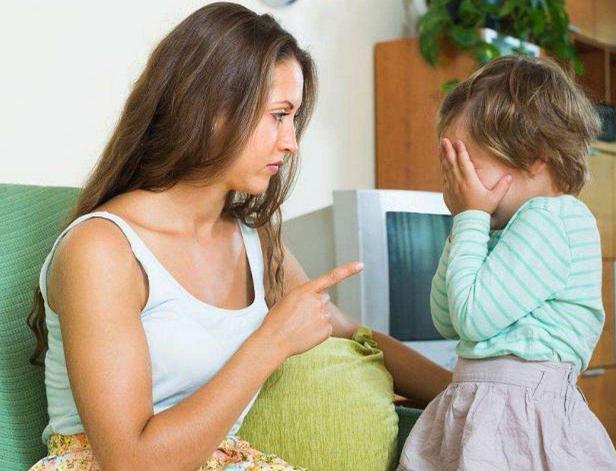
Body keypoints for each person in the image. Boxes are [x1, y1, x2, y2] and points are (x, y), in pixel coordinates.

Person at [26, 3, 451, 470]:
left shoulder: (256, 239)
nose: (290, 142)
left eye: (293, 119)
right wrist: (270, 343)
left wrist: (472, 394)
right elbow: (130, 462)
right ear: (210, 110)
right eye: (278, 115)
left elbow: (347, 331)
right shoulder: (101, 250)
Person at [398, 55, 616, 470]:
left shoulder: (552, 218)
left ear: (533, 155)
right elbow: (446, 317)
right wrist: (466, 225)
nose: (458, 185)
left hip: (518, 419)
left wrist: (470, 217)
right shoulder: (507, 227)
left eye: (469, 168)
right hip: (484, 409)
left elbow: (472, 318)